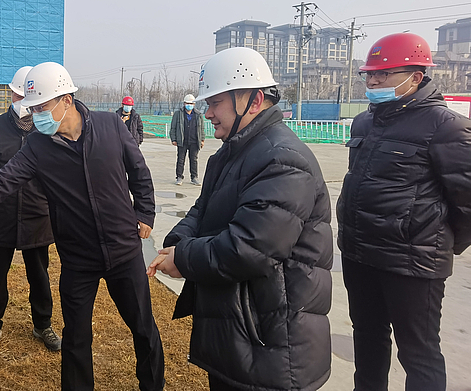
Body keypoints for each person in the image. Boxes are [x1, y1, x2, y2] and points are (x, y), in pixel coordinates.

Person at [0, 62, 165, 391]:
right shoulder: (39, 146)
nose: (35, 115)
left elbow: (139, 172)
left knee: (143, 328)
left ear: (66, 100)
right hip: (78, 258)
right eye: (33, 108)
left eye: (41, 107)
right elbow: (0, 181)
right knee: (76, 339)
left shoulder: (110, 126)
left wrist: (145, 214)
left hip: (124, 251)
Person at [148, 47, 333, 391]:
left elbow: (250, 248)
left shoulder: (282, 160)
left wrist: (184, 259)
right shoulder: (233, 152)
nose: (207, 113)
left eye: (216, 103)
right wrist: (176, 244)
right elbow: (202, 210)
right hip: (239, 332)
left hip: (271, 342)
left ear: (255, 100)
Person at [336, 32, 471, 391]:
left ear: (416, 76)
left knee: (418, 352)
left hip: (412, 263)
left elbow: (467, 203)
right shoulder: (364, 122)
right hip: (360, 253)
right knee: (368, 337)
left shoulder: (446, 127)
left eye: (383, 74)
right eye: (369, 74)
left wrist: (439, 241)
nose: (373, 81)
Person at [0, 66, 60, 358]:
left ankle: (43, 324)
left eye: (25, 95)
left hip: (38, 214)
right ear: (11, 93)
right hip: (3, 212)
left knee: (39, 274)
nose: (20, 100)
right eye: (16, 94)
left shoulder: (46, 127)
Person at [169, 93, 205, 185]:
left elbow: (201, 128)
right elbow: (173, 127)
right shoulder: (178, 114)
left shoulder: (198, 115)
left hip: (194, 141)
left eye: (191, 103)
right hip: (182, 141)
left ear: (194, 104)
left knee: (194, 160)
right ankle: (179, 177)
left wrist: (202, 139)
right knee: (181, 160)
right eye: (188, 103)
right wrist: (173, 139)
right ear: (184, 103)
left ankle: (194, 177)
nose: (189, 105)